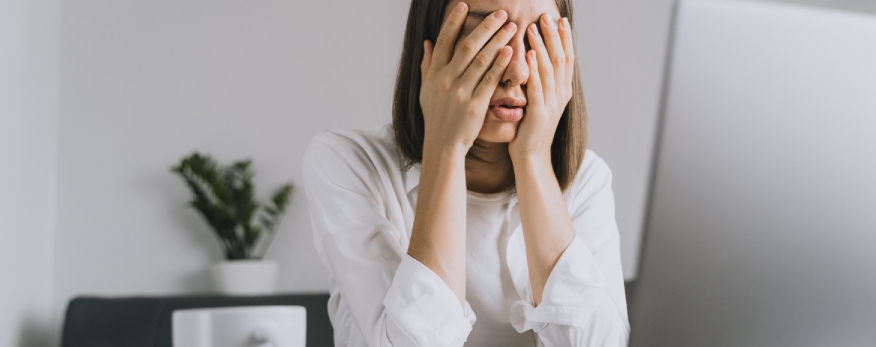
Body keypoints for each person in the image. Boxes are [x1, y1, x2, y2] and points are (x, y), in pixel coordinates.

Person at [302, 0, 629, 345]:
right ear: (430, 46)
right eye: (489, 35)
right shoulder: (348, 163)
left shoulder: (586, 182)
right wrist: (445, 147)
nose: (516, 70)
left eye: (538, 36)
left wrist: (533, 158)